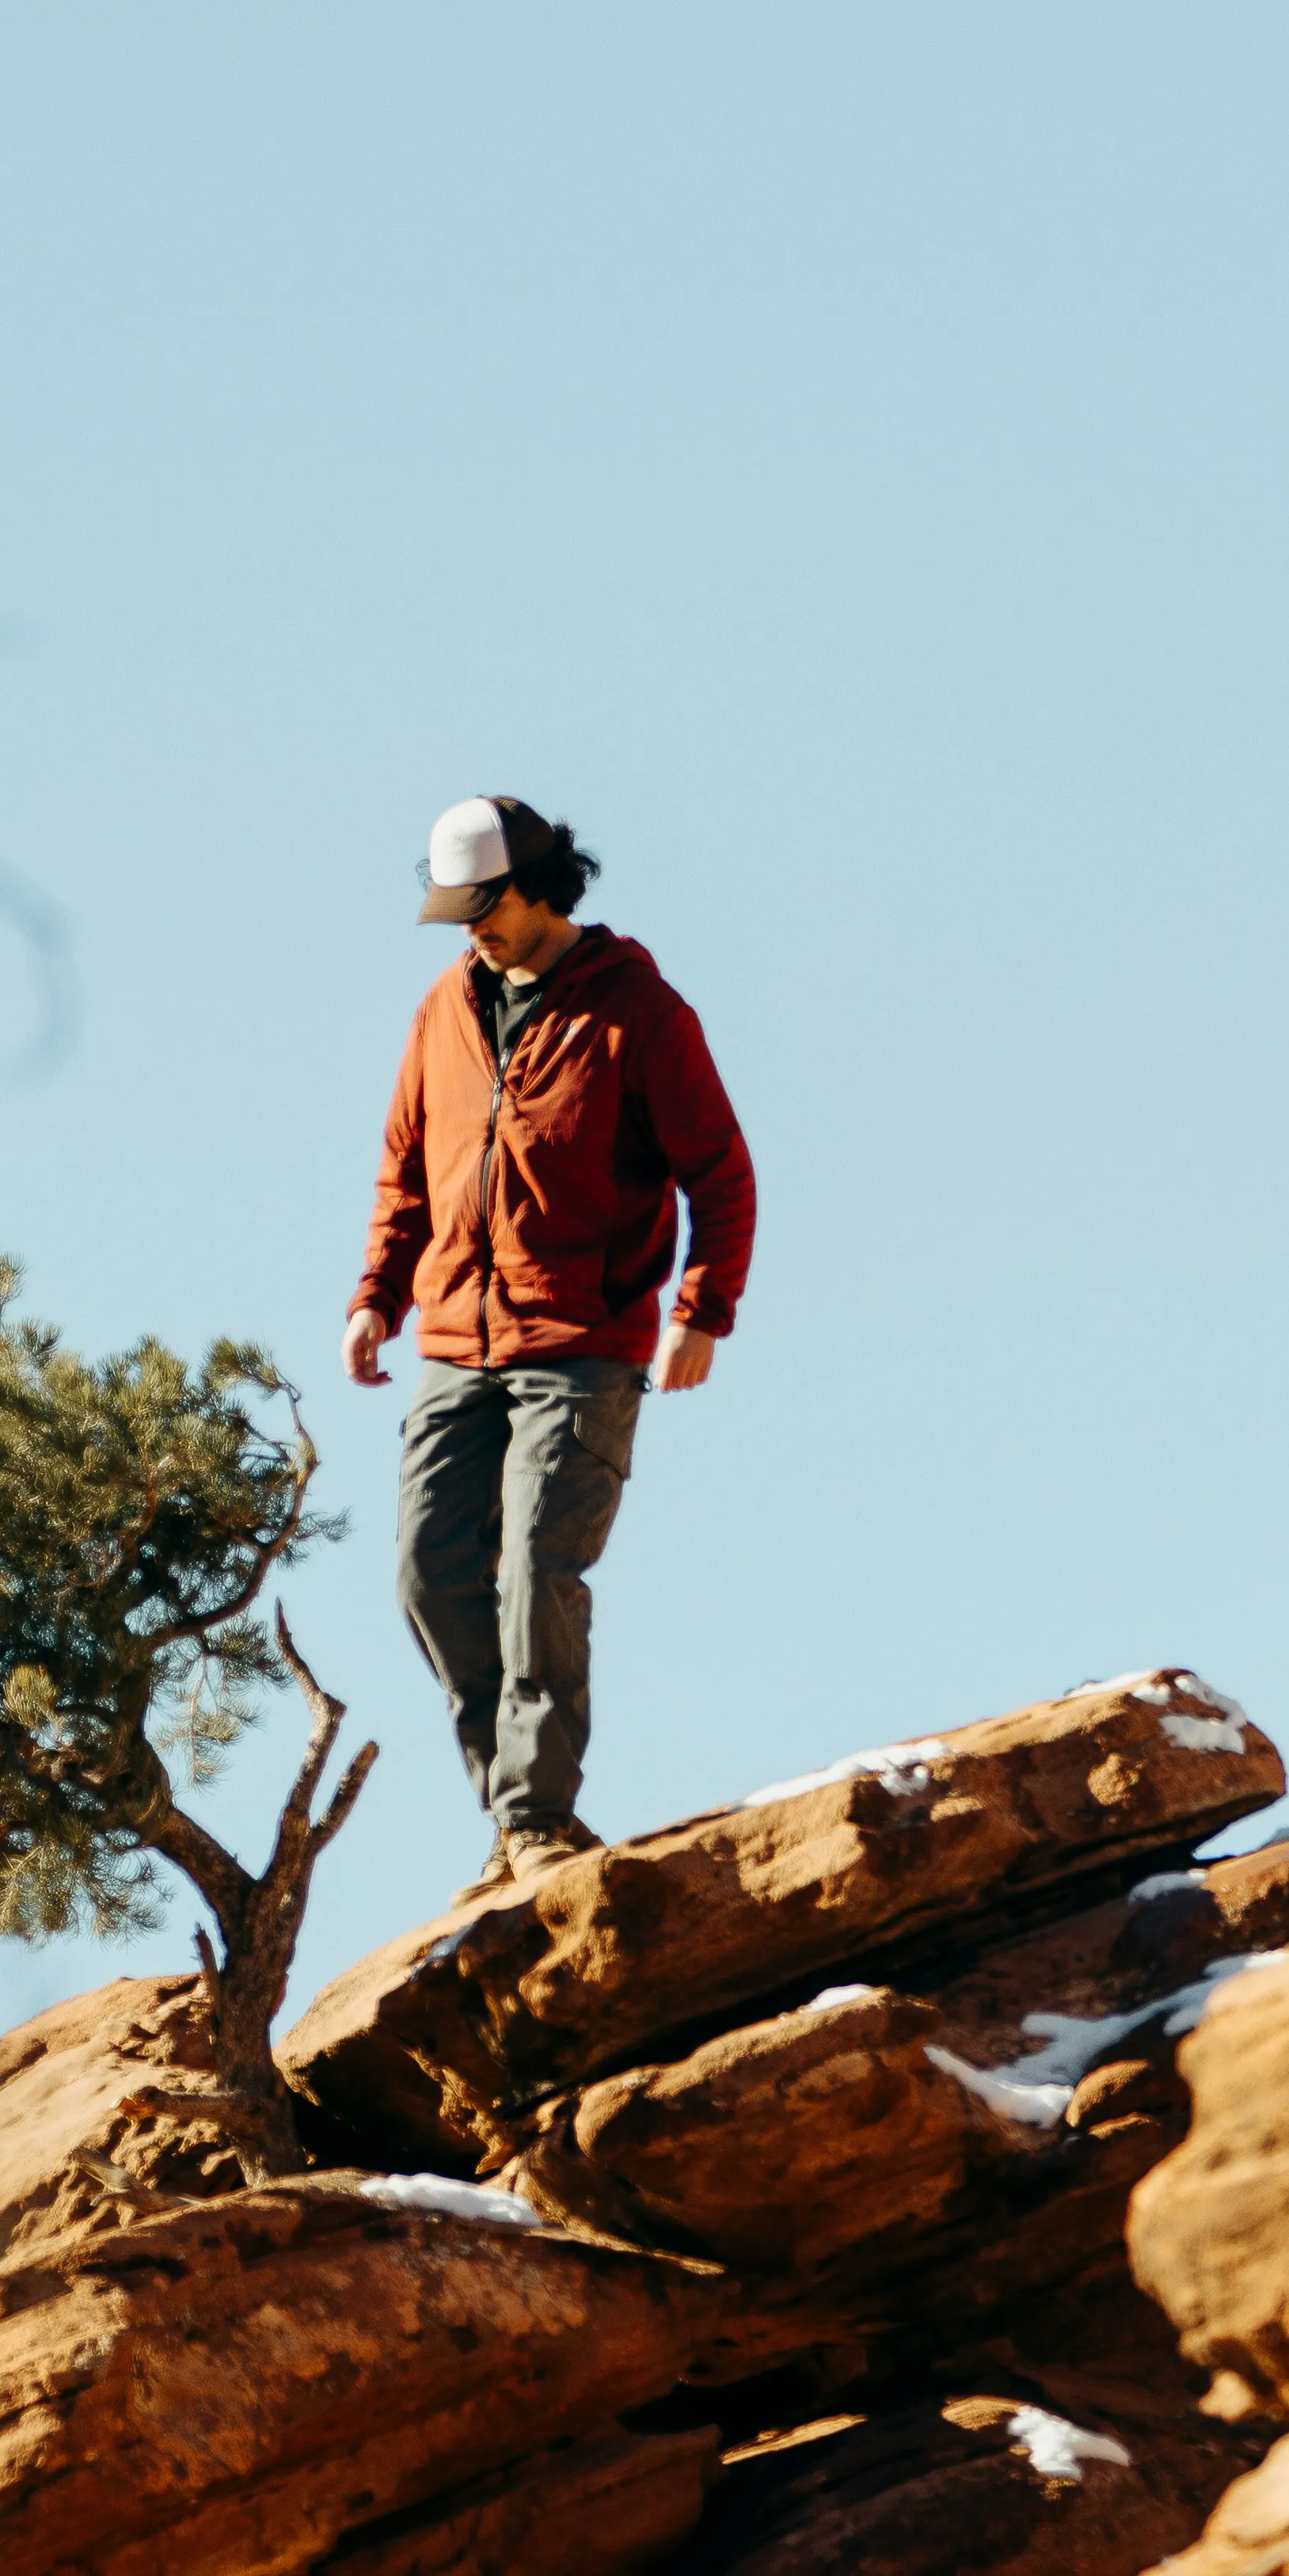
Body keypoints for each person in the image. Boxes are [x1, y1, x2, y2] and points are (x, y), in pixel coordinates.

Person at [349, 796, 757, 1876]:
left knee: (538, 1569)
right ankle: (512, 1804)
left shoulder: (640, 1014)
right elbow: (406, 1168)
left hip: (583, 1344)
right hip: (452, 1342)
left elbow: (720, 1173)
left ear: (543, 887)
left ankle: (534, 1815)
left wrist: (700, 1312)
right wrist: (375, 1296)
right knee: (430, 1577)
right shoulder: (444, 1009)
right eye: (456, 911)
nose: (470, 929)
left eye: (485, 908)